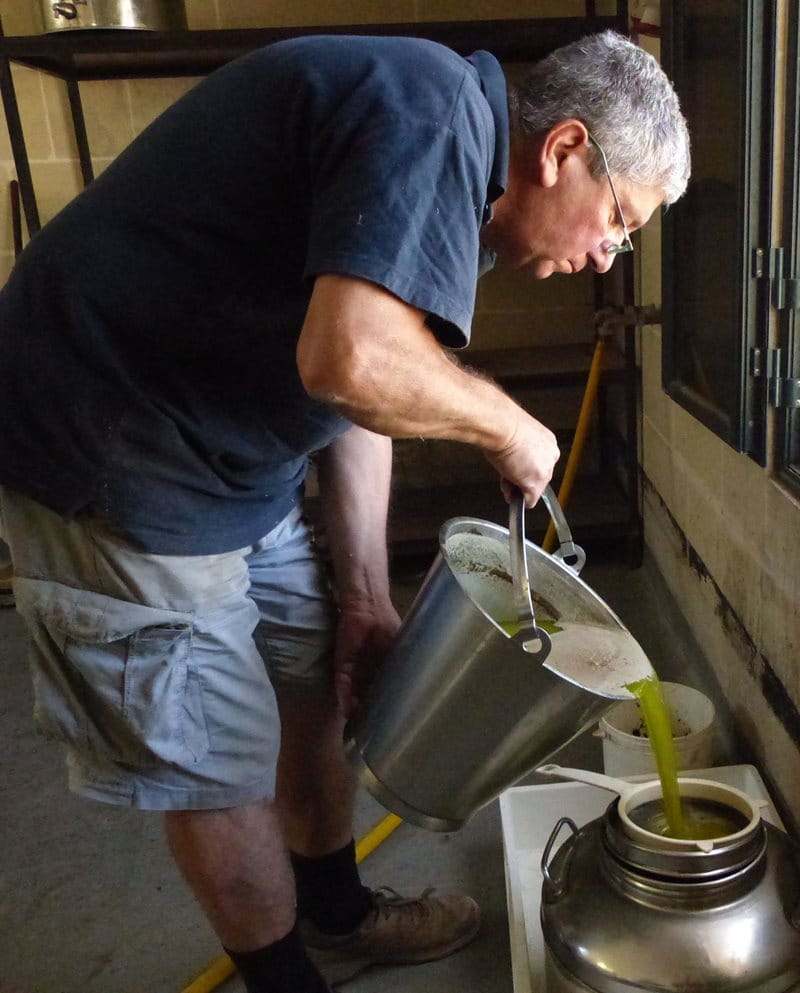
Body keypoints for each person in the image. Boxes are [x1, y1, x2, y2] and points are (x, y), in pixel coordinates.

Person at [0, 29, 689, 993]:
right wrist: (508, 428)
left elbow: (362, 389)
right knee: (216, 754)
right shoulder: (430, 118)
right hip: (112, 439)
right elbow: (353, 359)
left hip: (236, 435)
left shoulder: (462, 181)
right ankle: (287, 982)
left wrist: (365, 589)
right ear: (564, 149)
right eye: (619, 220)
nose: (609, 254)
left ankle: (335, 913)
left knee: (319, 658)